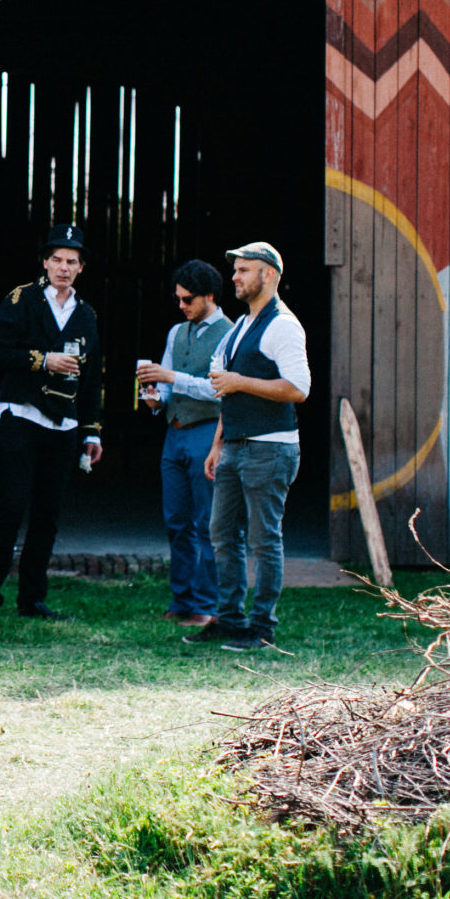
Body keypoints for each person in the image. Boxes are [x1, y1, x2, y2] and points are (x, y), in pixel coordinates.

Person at [186, 242, 310, 654]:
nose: (235, 277)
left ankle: (262, 628)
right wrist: (217, 443)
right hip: (236, 447)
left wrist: (240, 382)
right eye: (235, 270)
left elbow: (298, 389)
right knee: (222, 534)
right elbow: (225, 388)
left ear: (269, 275)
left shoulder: (283, 326)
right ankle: (230, 620)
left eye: (244, 270)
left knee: (263, 540)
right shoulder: (241, 325)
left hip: (270, 449)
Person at [0, 224, 103, 620]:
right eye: (56, 260)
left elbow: (93, 378)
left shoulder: (86, 315)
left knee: (48, 513)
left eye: (71, 261)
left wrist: (91, 431)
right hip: (21, 412)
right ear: (45, 262)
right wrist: (43, 360)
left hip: (64, 424)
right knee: (12, 506)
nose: (63, 267)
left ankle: (32, 599)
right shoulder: (21, 300)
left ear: (81, 267)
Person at [135, 259, 231, 629]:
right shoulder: (177, 332)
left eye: (188, 299)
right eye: (178, 299)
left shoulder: (230, 333)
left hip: (207, 432)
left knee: (207, 522)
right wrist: (156, 396)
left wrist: (170, 376)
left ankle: (207, 605)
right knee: (176, 521)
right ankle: (182, 599)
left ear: (209, 296)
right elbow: (169, 384)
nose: (182, 305)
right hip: (174, 432)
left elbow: (220, 388)